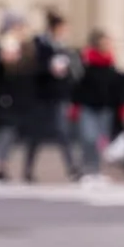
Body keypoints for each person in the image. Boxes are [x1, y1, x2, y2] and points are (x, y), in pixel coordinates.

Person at [25, 10, 82, 183]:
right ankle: (28, 169)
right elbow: (34, 69)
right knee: (37, 134)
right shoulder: (40, 46)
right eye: (63, 28)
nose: (65, 31)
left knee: (62, 132)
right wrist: (49, 69)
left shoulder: (63, 47)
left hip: (59, 96)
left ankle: (72, 168)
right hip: (42, 96)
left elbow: (72, 71)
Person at [0, 12, 34, 183]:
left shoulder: (27, 48)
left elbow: (32, 70)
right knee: (6, 131)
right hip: (3, 98)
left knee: (19, 134)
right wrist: (3, 59)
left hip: (22, 98)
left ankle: (25, 169)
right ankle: (1, 165)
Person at [74, 29, 119, 177]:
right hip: (89, 105)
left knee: (101, 140)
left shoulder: (110, 61)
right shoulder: (86, 61)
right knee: (89, 137)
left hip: (105, 106)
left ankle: (96, 169)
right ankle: (87, 166)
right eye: (104, 42)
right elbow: (78, 83)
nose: (107, 45)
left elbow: (114, 85)